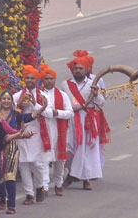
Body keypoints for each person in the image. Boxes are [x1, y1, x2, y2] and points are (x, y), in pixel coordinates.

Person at [60, 50, 108, 190]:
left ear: (86, 70)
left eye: (81, 68)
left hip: (87, 121)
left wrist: (96, 93)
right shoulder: (66, 84)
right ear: (72, 70)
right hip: (70, 121)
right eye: (76, 68)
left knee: (86, 149)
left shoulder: (93, 84)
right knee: (69, 148)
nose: (78, 70)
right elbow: (63, 101)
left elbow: (101, 103)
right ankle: (72, 173)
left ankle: (85, 178)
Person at [13, 65, 49, 205]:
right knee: (23, 164)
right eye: (27, 78)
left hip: (37, 133)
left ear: (37, 80)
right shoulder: (17, 96)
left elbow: (47, 113)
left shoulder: (42, 96)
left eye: (32, 78)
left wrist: (35, 104)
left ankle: (40, 187)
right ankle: (29, 194)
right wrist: (20, 104)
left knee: (36, 163)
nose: (29, 80)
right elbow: (12, 112)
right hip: (21, 132)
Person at [38, 65, 74, 196]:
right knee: (45, 159)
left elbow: (70, 113)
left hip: (60, 131)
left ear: (54, 80)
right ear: (43, 80)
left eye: (51, 78)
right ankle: (45, 187)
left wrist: (56, 113)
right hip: (44, 130)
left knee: (60, 159)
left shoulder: (63, 95)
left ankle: (58, 184)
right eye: (46, 78)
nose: (48, 81)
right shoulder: (39, 94)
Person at [0, 90, 33, 214]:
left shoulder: (16, 114)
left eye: (8, 99)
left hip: (11, 146)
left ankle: (11, 205)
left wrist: (41, 109)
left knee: (10, 175)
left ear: (12, 101)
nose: (6, 101)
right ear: (0, 101)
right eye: (4, 98)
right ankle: (2, 196)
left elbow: (29, 117)